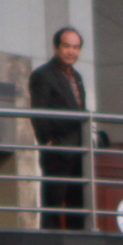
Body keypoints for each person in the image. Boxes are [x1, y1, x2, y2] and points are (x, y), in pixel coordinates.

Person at [27, 26, 89, 231]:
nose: (71, 51)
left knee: (78, 207)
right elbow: (38, 112)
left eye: (76, 47)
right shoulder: (43, 75)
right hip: (58, 151)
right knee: (53, 206)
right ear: (56, 47)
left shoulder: (77, 76)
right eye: (67, 46)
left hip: (79, 151)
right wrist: (48, 142)